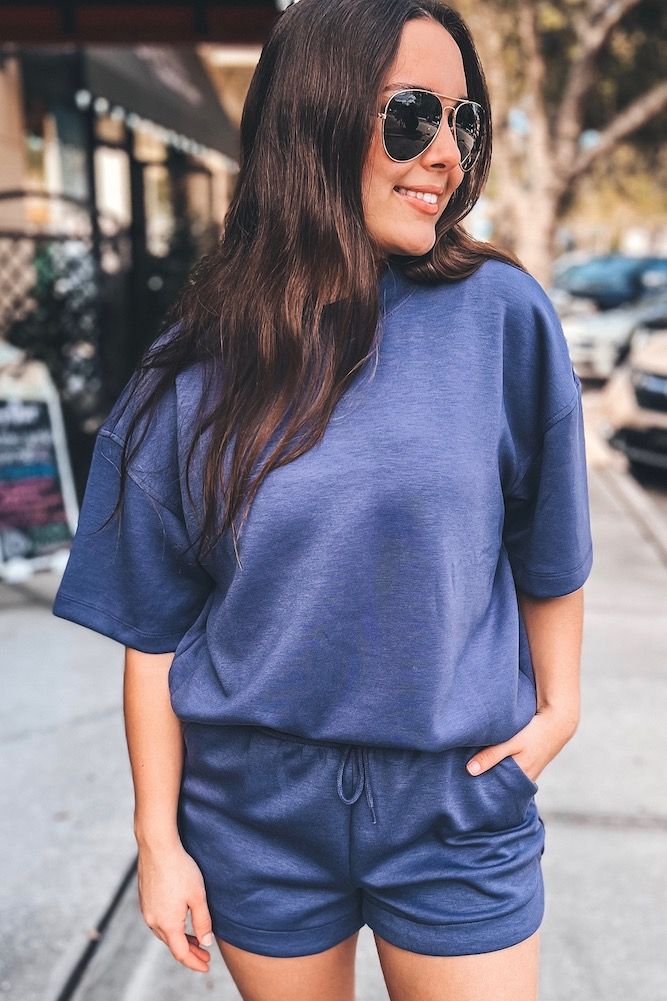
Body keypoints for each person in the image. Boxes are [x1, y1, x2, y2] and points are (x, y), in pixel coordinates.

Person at [52, 0, 594, 998]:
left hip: (453, 801)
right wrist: (158, 838)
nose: (447, 153)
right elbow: (155, 628)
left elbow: (548, 545)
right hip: (255, 815)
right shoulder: (197, 360)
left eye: (464, 121)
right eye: (412, 116)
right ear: (315, 117)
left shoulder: (500, 315)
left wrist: (556, 712)